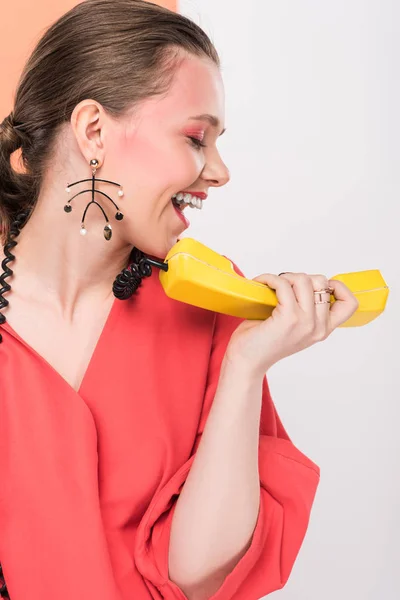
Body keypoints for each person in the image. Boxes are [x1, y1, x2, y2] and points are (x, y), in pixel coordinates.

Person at [0, 1, 359, 599]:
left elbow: (198, 573)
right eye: (197, 137)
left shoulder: (210, 305)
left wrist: (246, 367)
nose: (218, 172)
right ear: (93, 130)